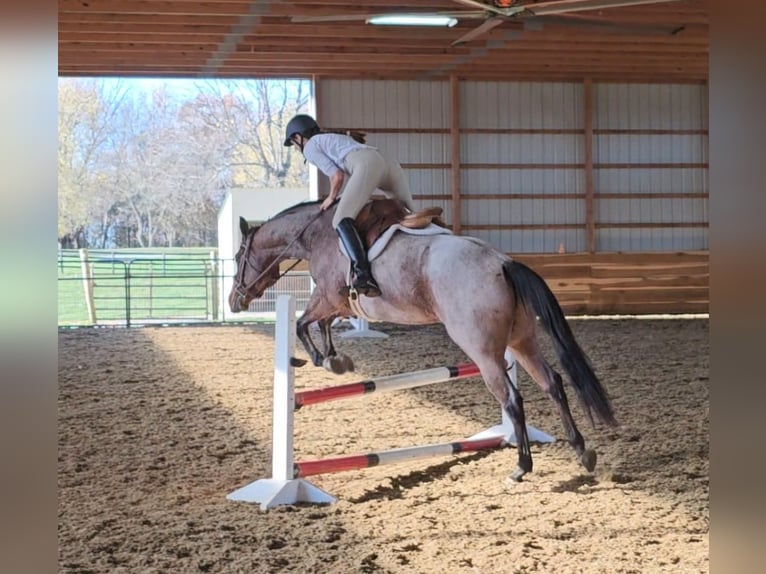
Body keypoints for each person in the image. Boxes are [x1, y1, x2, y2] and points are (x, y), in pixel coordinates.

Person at [284, 114, 415, 298]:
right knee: (411, 213)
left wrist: (331, 197)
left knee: (340, 219)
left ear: (297, 137)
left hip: (368, 164)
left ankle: (363, 275)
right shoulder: (333, 138)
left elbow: (337, 176)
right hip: (388, 163)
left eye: (294, 144)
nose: (297, 149)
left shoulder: (311, 147)